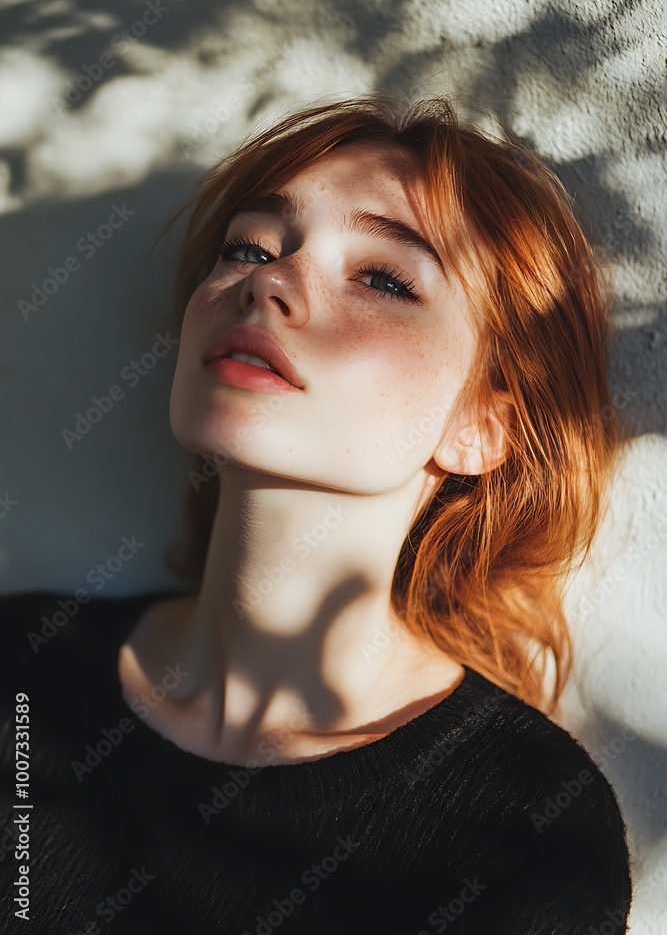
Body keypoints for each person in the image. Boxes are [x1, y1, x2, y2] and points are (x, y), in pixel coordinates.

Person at [0, 95, 632, 933]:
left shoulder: (528, 827)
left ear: (482, 426)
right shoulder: (20, 669)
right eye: (247, 248)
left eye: (382, 277)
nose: (267, 280)